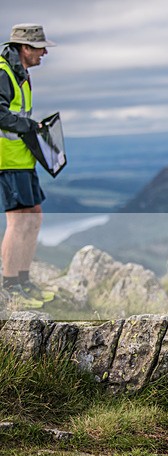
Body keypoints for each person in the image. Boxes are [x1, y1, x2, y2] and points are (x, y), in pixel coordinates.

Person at [0, 24, 56, 308]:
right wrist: (29, 126)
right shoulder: (3, 72)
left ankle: (23, 280)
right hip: (6, 160)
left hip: (23, 158)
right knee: (18, 221)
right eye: (40, 47)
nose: (44, 52)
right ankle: (10, 286)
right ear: (24, 48)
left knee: (34, 218)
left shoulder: (20, 73)